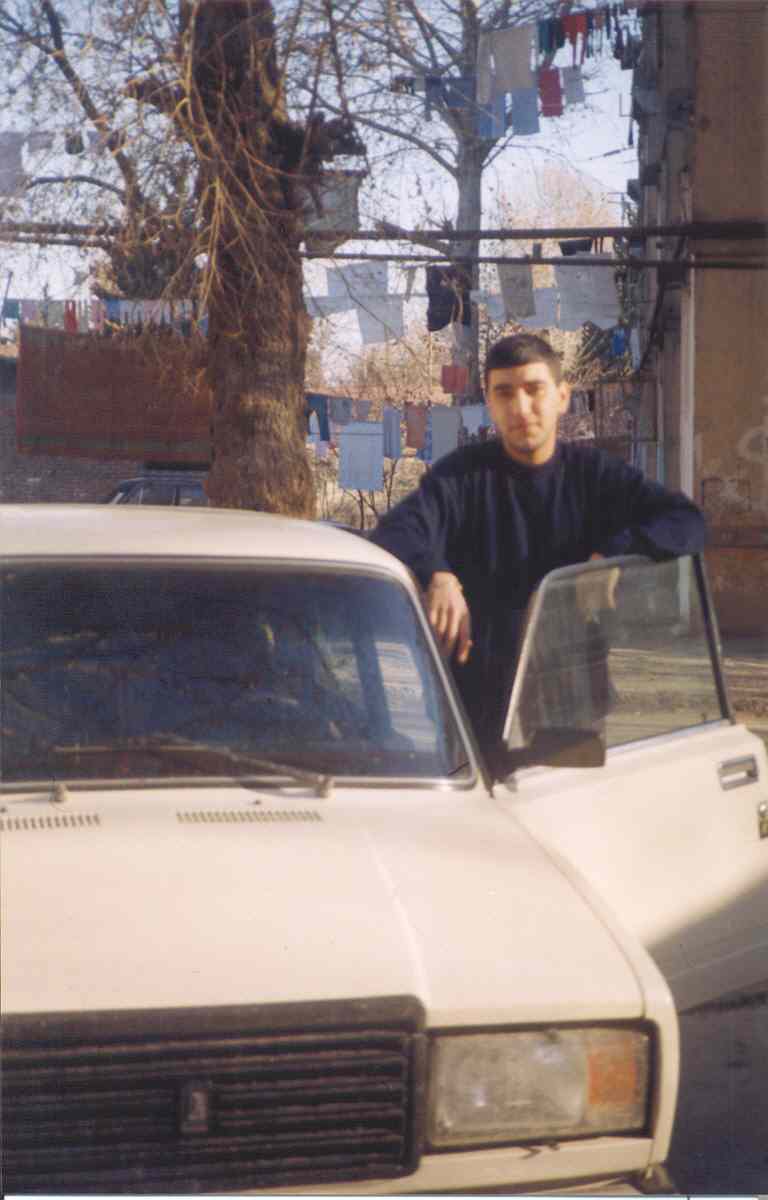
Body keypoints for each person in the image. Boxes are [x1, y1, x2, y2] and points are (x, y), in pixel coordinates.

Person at [370, 332, 707, 755]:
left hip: (570, 695)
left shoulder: (595, 475)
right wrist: (436, 574)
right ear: (489, 403)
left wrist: (611, 557)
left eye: (534, 389)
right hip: (475, 704)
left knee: (571, 796)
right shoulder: (460, 477)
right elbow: (395, 531)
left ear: (562, 397)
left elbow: (687, 522)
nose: (521, 407)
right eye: (505, 393)